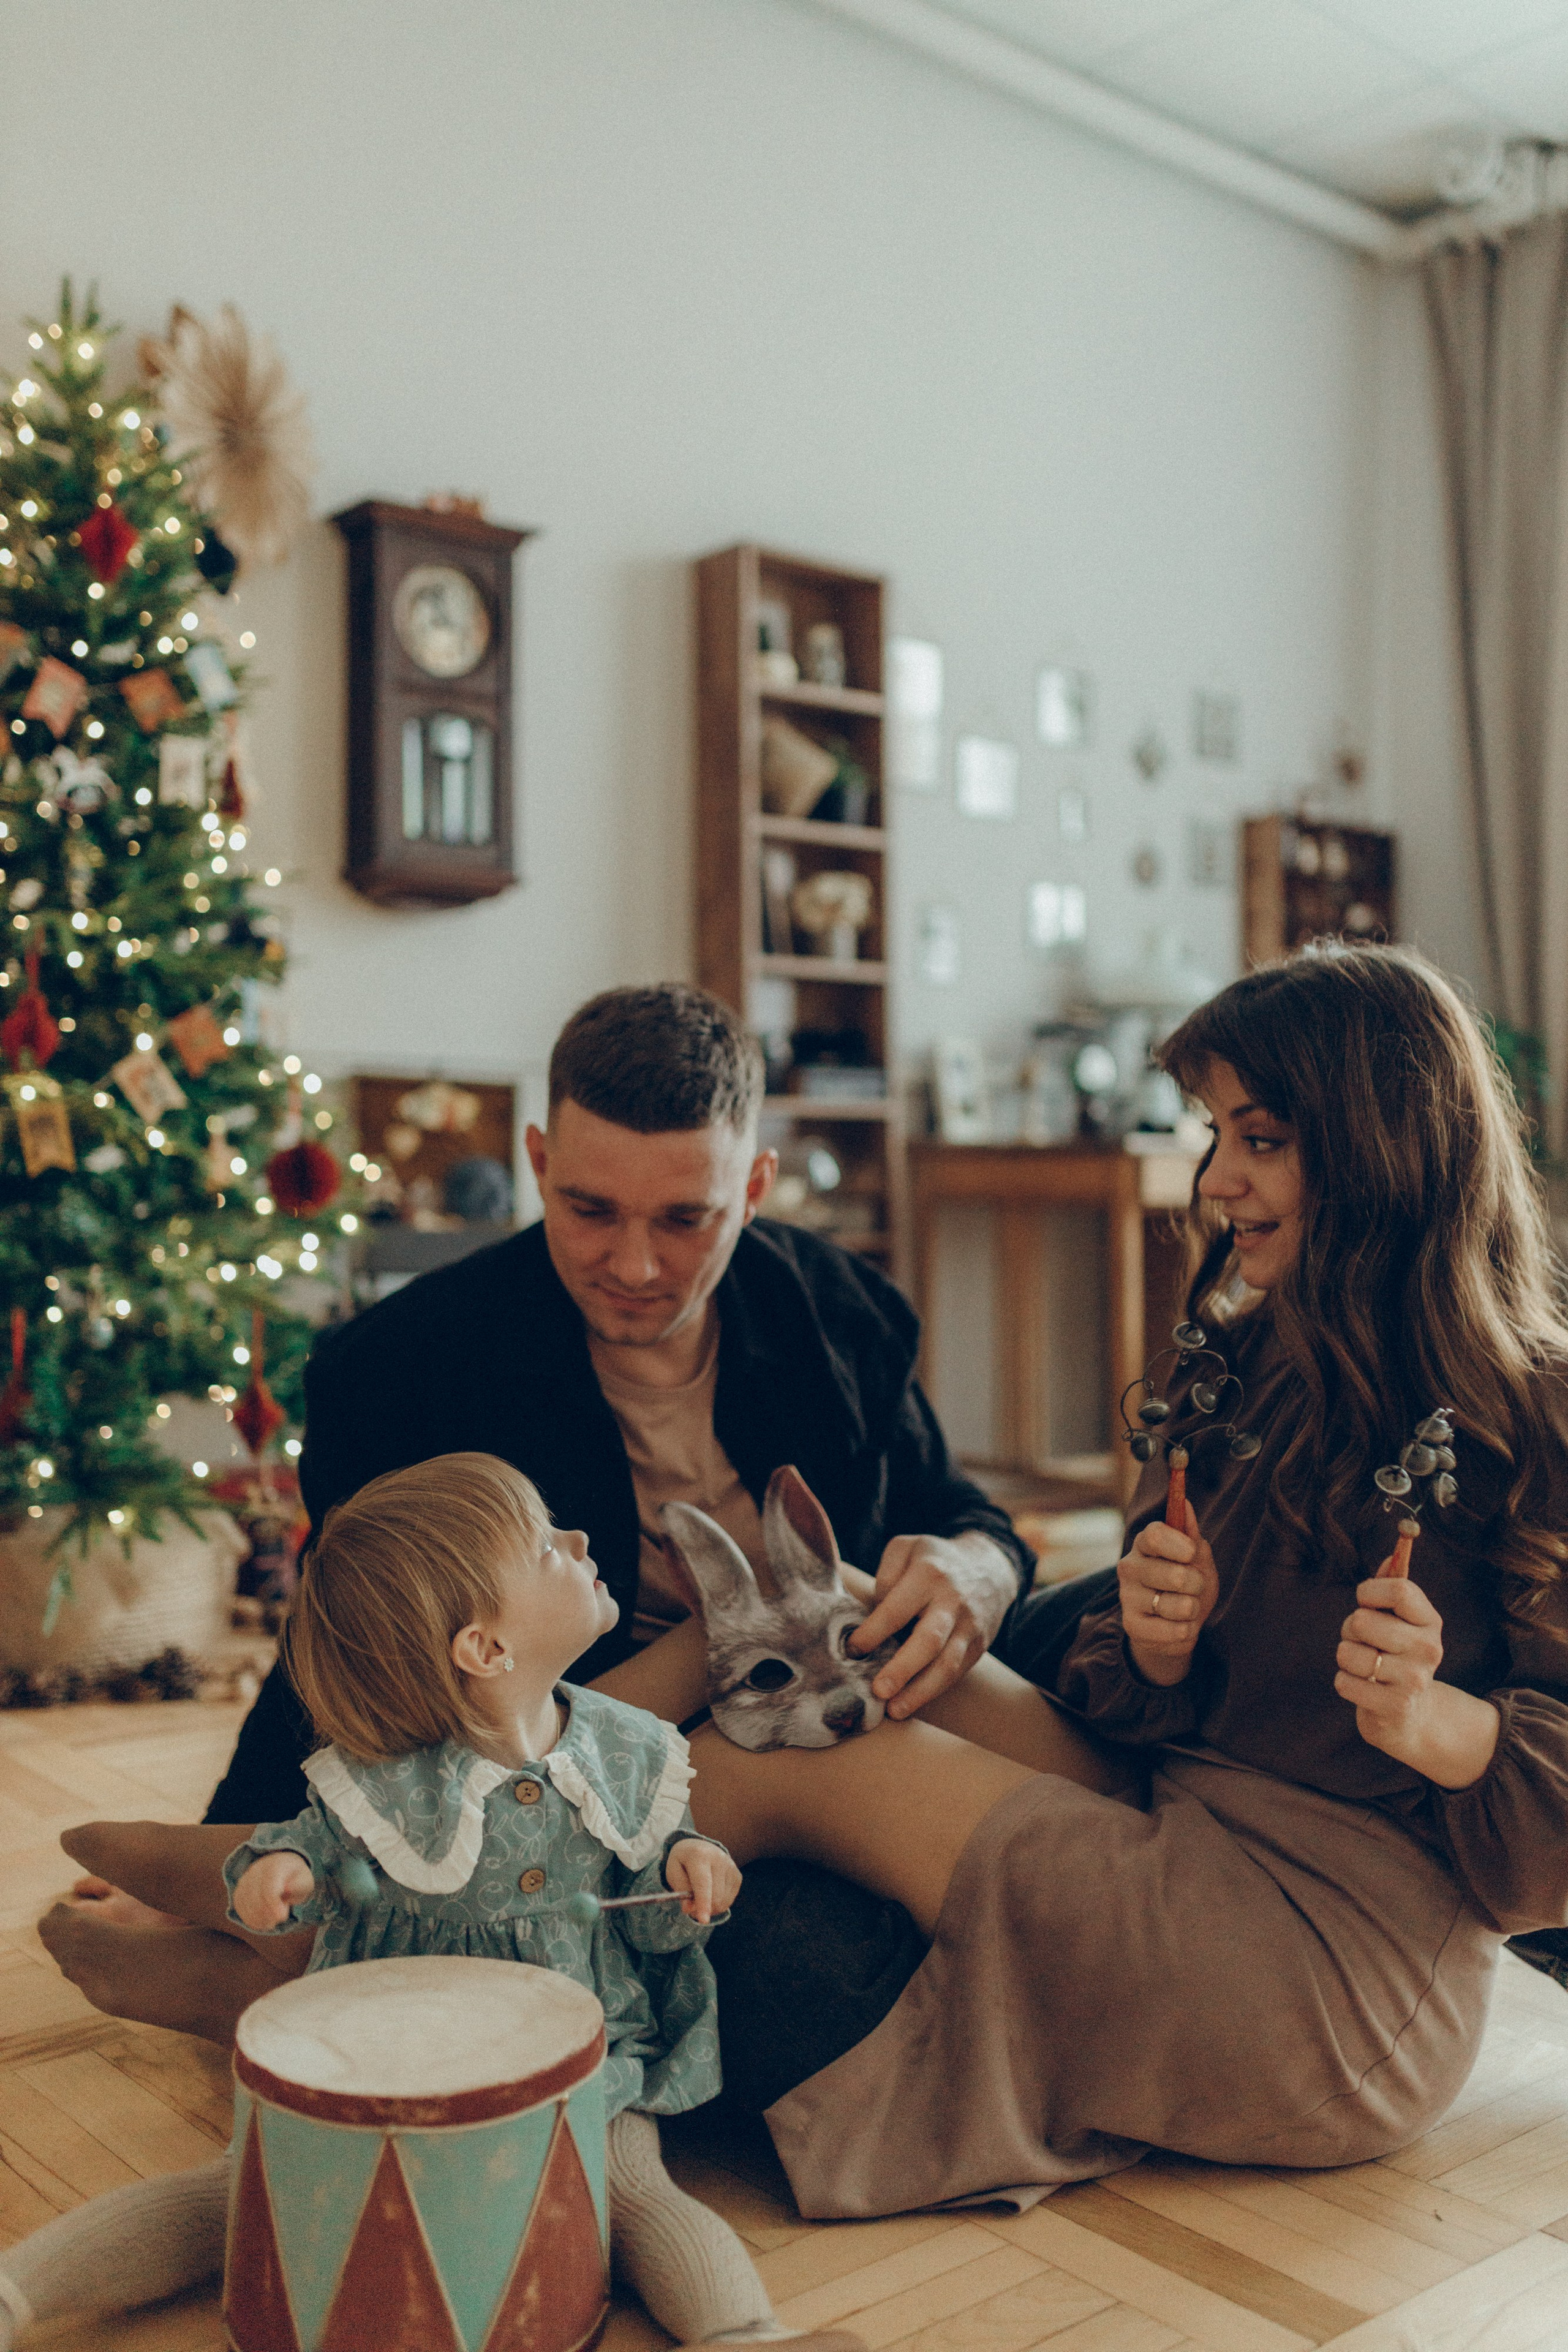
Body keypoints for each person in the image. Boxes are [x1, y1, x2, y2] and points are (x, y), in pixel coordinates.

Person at [609, 943, 1568, 2211]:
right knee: (817, 1618)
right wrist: (1159, 1649)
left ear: (1385, 1147)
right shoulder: (1232, 1368)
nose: (1216, 1176)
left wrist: (1450, 1732)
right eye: (1216, 1132)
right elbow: (1137, 1712)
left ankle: (466, 1965)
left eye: (1262, 1138)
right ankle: (481, 1834)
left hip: (1336, 1967)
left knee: (773, 1764)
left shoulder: (1532, 1415)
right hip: (1178, 1809)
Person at [42, 981, 1034, 2075]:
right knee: (803, 1982)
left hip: (843, 1715)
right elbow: (358, 1662)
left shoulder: (843, 1313)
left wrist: (980, 1564)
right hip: (571, 1772)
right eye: (590, 1209)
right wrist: (238, 1852)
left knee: (1100, 1647)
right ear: (536, 1162)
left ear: (753, 1187)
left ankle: (370, 1982)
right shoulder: (402, 1367)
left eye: (684, 1218)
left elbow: (955, 1511)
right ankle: (287, 1973)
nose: (636, 1266)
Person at [0, 1455, 857, 2352]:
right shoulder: (387, 1787)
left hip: (579, 2057)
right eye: (544, 1543)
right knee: (234, 2192)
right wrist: (276, 1878)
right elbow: (307, 1857)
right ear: (485, 1648)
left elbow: (644, 1887)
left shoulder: (626, 1750)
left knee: (637, 2194)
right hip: (388, 2058)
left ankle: (744, 2335)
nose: (578, 1540)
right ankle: (21, 2289)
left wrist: (691, 1870)